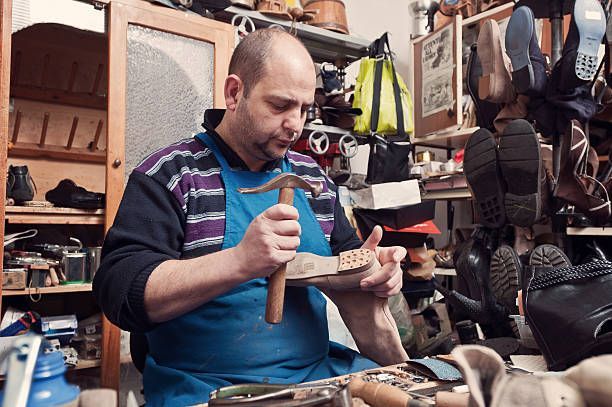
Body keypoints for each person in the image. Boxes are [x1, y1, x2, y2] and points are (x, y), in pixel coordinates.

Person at [93, 28, 407, 406]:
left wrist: (375, 271)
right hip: (206, 390)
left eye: (305, 109)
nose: (296, 124)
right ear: (234, 93)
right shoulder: (173, 175)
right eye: (280, 105)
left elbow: (349, 268)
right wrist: (240, 262)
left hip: (316, 381)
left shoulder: (314, 180)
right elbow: (120, 292)